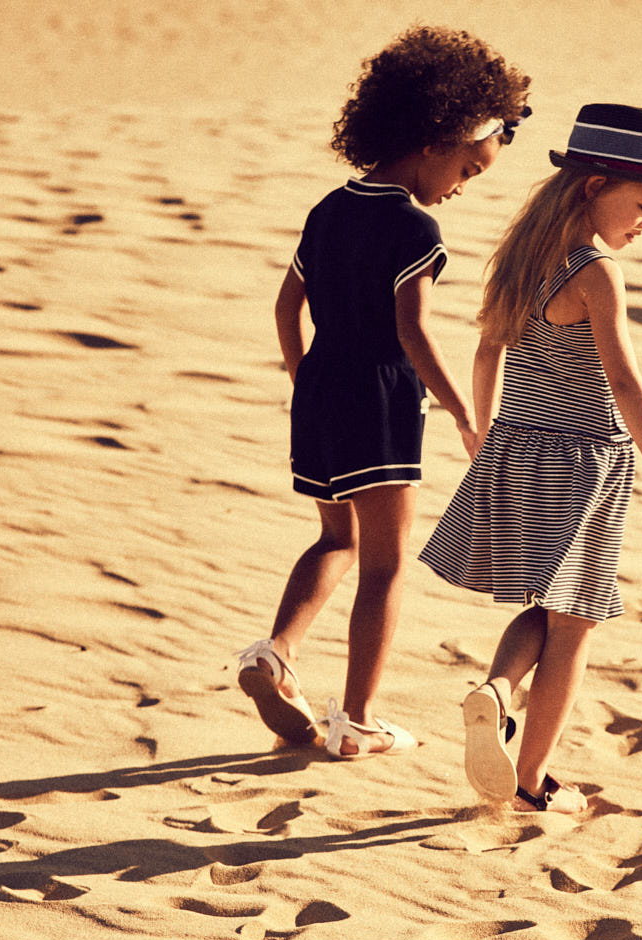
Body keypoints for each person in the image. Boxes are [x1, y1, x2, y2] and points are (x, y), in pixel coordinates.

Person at [236, 26, 530, 759]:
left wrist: (307, 381)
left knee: (337, 537)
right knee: (388, 561)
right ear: (435, 139)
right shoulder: (413, 228)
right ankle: (359, 717)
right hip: (380, 400)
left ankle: (275, 651)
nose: (462, 186)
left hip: (321, 390)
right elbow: (413, 332)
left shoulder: (327, 211)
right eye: (468, 167)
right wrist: (466, 411)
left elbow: (284, 309)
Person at [419, 103, 642, 815]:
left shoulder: (522, 254)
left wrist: (482, 428)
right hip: (584, 461)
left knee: (546, 608)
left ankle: (496, 689)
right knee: (574, 622)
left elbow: (487, 348)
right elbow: (626, 381)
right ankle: (532, 779)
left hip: (518, 445)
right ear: (592, 185)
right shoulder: (596, 271)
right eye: (641, 205)